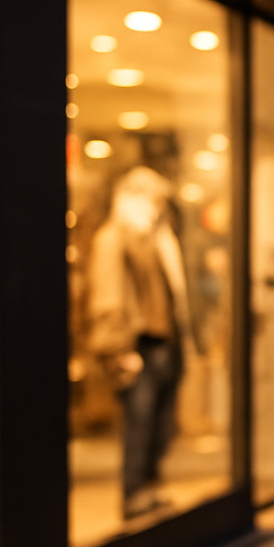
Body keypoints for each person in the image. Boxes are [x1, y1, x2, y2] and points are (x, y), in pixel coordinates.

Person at [87, 166, 197, 520]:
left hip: (164, 343)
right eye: (152, 201)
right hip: (138, 345)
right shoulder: (113, 237)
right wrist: (118, 349)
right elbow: (108, 296)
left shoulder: (157, 238)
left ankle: (150, 486)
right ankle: (133, 491)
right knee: (139, 421)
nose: (156, 209)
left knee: (160, 423)